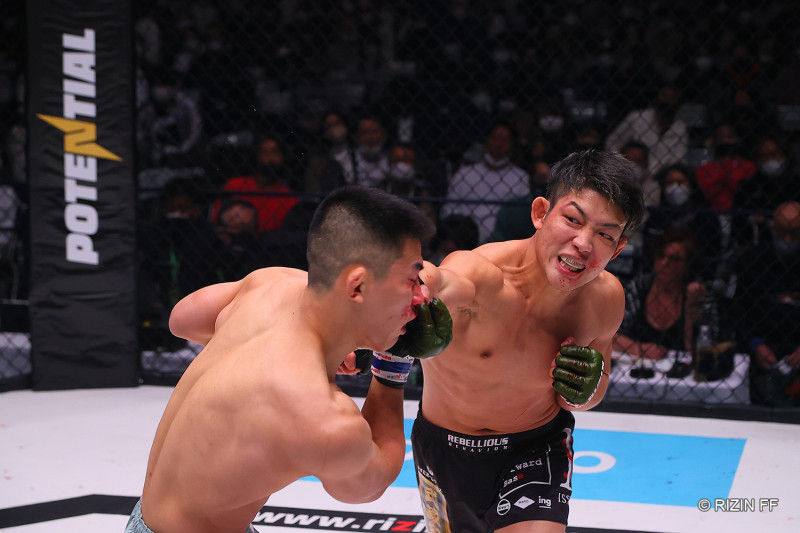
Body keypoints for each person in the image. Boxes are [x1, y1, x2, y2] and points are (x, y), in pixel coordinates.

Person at [125, 186, 451, 533]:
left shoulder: (268, 284)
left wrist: (323, 349)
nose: (421, 297)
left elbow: (182, 320)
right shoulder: (322, 418)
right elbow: (367, 486)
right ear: (357, 287)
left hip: (151, 516)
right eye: (411, 280)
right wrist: (392, 364)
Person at [384, 149, 646, 532]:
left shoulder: (605, 299)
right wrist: (415, 294)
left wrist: (583, 391)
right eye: (573, 220)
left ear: (618, 248)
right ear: (541, 213)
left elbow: (591, 391)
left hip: (537, 446)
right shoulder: (482, 274)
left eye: (604, 234)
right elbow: (440, 279)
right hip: (443, 448)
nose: (584, 243)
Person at [733, 201, 800, 406]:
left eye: (794, 233)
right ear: (773, 228)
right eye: (782, 231)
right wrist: (756, 344)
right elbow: (738, 308)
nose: (787, 239)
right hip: (762, 347)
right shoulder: (752, 259)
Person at [612, 228, 708, 361]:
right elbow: (610, 335)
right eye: (660, 256)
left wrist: (691, 309)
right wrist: (640, 349)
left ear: (687, 265)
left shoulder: (696, 293)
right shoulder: (640, 286)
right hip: (637, 366)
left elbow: (699, 349)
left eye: (674, 259)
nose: (664, 263)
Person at [441, 120, 530, 244]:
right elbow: (448, 211)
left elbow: (521, 218)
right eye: (495, 138)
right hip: (464, 240)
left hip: (503, 242)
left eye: (504, 140)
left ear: (512, 146)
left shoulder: (521, 178)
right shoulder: (465, 174)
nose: (498, 145)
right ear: (486, 141)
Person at [212, 133, 299, 233]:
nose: (270, 157)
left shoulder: (289, 199)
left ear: (282, 157)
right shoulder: (235, 185)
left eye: (275, 152)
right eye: (264, 152)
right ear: (256, 156)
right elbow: (216, 220)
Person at [604, 84, 688, 176]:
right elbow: (611, 142)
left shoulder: (680, 128)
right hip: (631, 173)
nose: (666, 101)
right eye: (664, 96)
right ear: (657, 97)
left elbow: (680, 159)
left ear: (678, 104)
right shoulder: (637, 118)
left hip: (661, 177)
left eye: (672, 98)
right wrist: (623, 163)